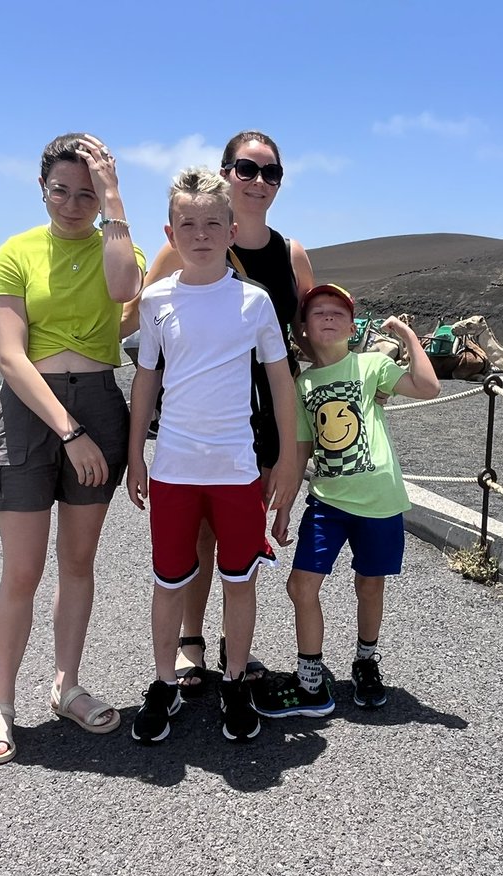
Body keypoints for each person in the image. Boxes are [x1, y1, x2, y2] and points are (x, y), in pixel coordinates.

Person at [0, 133, 145, 765]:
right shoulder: (15, 252)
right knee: (22, 570)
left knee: (78, 562)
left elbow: (125, 289)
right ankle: (1, 700)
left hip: (99, 397)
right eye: (60, 190)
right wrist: (69, 433)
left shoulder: (116, 243)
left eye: (86, 191)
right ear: (41, 189)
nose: (73, 204)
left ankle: (66, 685)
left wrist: (115, 199)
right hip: (31, 409)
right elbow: (10, 356)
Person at [120, 130, 314, 695]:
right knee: (192, 543)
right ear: (227, 171)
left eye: (270, 171)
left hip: (252, 430)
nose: (258, 180)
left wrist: (354, 379)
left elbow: (301, 340)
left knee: (239, 550)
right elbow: (141, 334)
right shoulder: (173, 259)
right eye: (247, 169)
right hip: (188, 433)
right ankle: (189, 644)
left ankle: (236, 659)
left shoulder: (286, 257)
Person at [256, 284, 440, 717]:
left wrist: (407, 337)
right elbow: (300, 449)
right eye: (317, 312)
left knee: (370, 585)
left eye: (338, 312)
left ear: (353, 326)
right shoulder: (302, 384)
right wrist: (284, 508)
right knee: (300, 586)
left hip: (380, 502)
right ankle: (310, 679)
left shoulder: (372, 365)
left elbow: (428, 387)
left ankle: (365, 661)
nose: (328, 317)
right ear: (303, 328)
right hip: (328, 504)